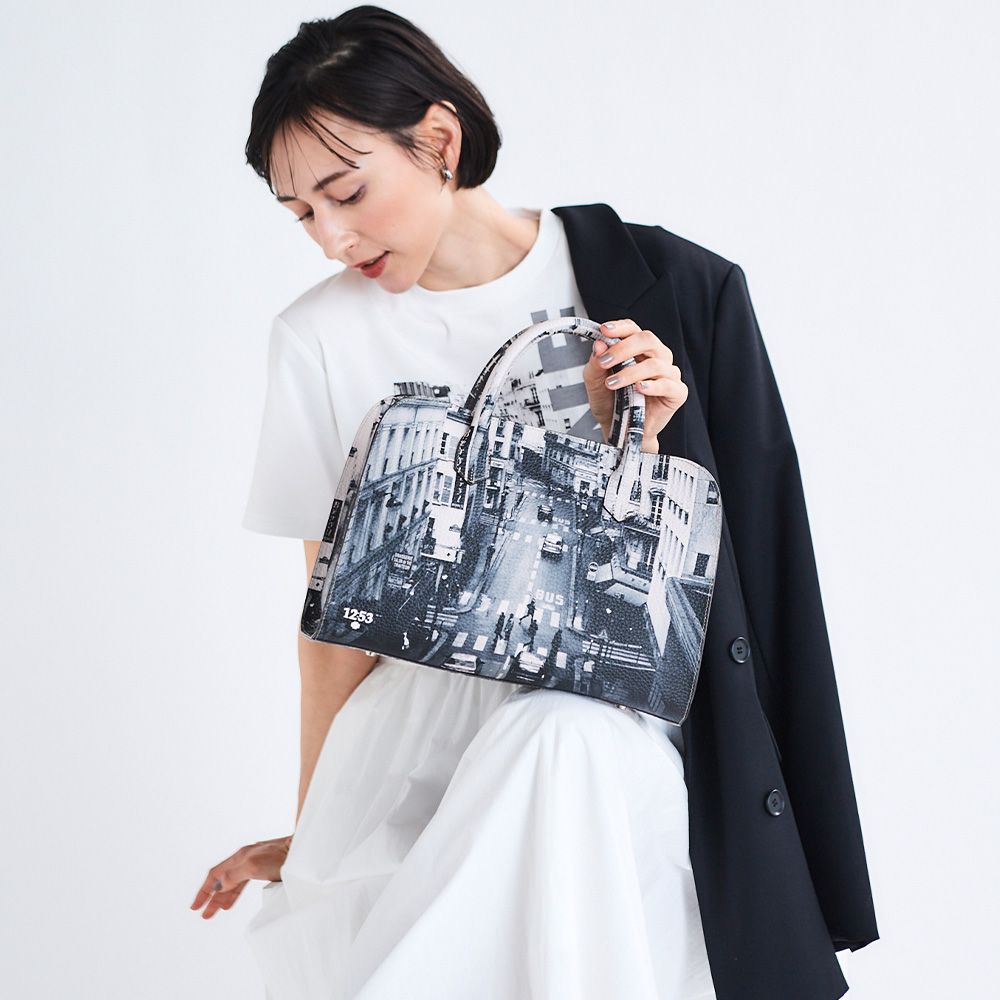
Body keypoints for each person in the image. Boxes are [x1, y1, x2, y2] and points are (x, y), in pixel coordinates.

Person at [190, 7, 878, 1000]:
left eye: (346, 192)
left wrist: (646, 436)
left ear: (438, 141)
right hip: (415, 747)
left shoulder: (669, 287)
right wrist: (317, 827)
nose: (331, 239)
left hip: (617, 739)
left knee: (560, 735)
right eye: (301, 213)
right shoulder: (319, 339)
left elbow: (760, 580)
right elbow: (330, 635)